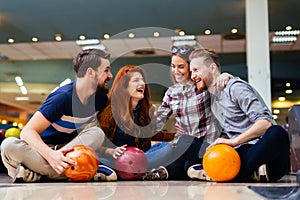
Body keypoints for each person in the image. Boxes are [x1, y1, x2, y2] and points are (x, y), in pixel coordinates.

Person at [0, 48, 114, 183]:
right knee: (8, 145)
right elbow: (27, 132)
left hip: (70, 150)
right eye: (106, 70)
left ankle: (36, 174)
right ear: (90, 72)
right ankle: (77, 171)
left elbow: (87, 135)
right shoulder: (62, 97)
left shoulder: (100, 99)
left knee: (96, 133)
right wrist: (51, 156)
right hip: (42, 151)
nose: (110, 75)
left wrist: (109, 150)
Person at [188, 48, 290, 182]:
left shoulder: (235, 88)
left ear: (212, 68)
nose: (192, 76)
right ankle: (249, 172)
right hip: (240, 153)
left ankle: (221, 173)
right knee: (189, 147)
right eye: (191, 72)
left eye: (196, 70)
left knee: (277, 133)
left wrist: (233, 142)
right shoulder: (212, 99)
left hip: (263, 151)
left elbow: (265, 123)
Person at [143, 45, 231, 180]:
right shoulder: (172, 92)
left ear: (191, 67)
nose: (175, 71)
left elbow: (217, 79)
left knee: (183, 142)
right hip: (182, 149)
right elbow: (156, 125)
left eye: (181, 67)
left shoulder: (204, 86)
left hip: (206, 146)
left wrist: (224, 75)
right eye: (173, 66)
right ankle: (197, 170)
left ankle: (164, 171)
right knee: (185, 163)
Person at [96, 65, 155, 178]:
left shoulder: (145, 111)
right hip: (114, 161)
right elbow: (97, 143)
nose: (142, 83)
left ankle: (145, 170)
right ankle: (107, 169)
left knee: (166, 148)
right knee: (94, 155)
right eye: (136, 80)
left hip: (141, 161)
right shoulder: (110, 111)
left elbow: (154, 134)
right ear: (124, 86)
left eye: (142, 80)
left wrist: (177, 135)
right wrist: (110, 151)